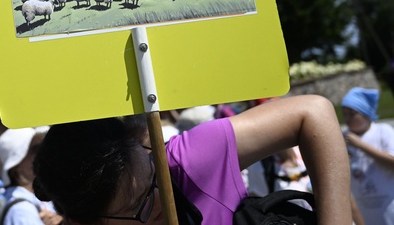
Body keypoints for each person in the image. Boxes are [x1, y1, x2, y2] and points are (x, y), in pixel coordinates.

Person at [33, 94, 352, 224]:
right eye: (139, 205)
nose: (161, 196)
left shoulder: (182, 161)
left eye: (153, 175)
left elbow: (314, 113)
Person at [342, 87, 394, 225]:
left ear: (365, 113)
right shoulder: (343, 138)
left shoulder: (383, 131)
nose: (347, 119)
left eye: (352, 114)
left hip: (388, 204)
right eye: (345, 114)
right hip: (363, 208)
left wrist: (360, 145)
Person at [0, 128, 61, 225]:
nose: (42, 152)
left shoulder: (35, 198)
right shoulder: (21, 211)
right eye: (35, 149)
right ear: (16, 166)